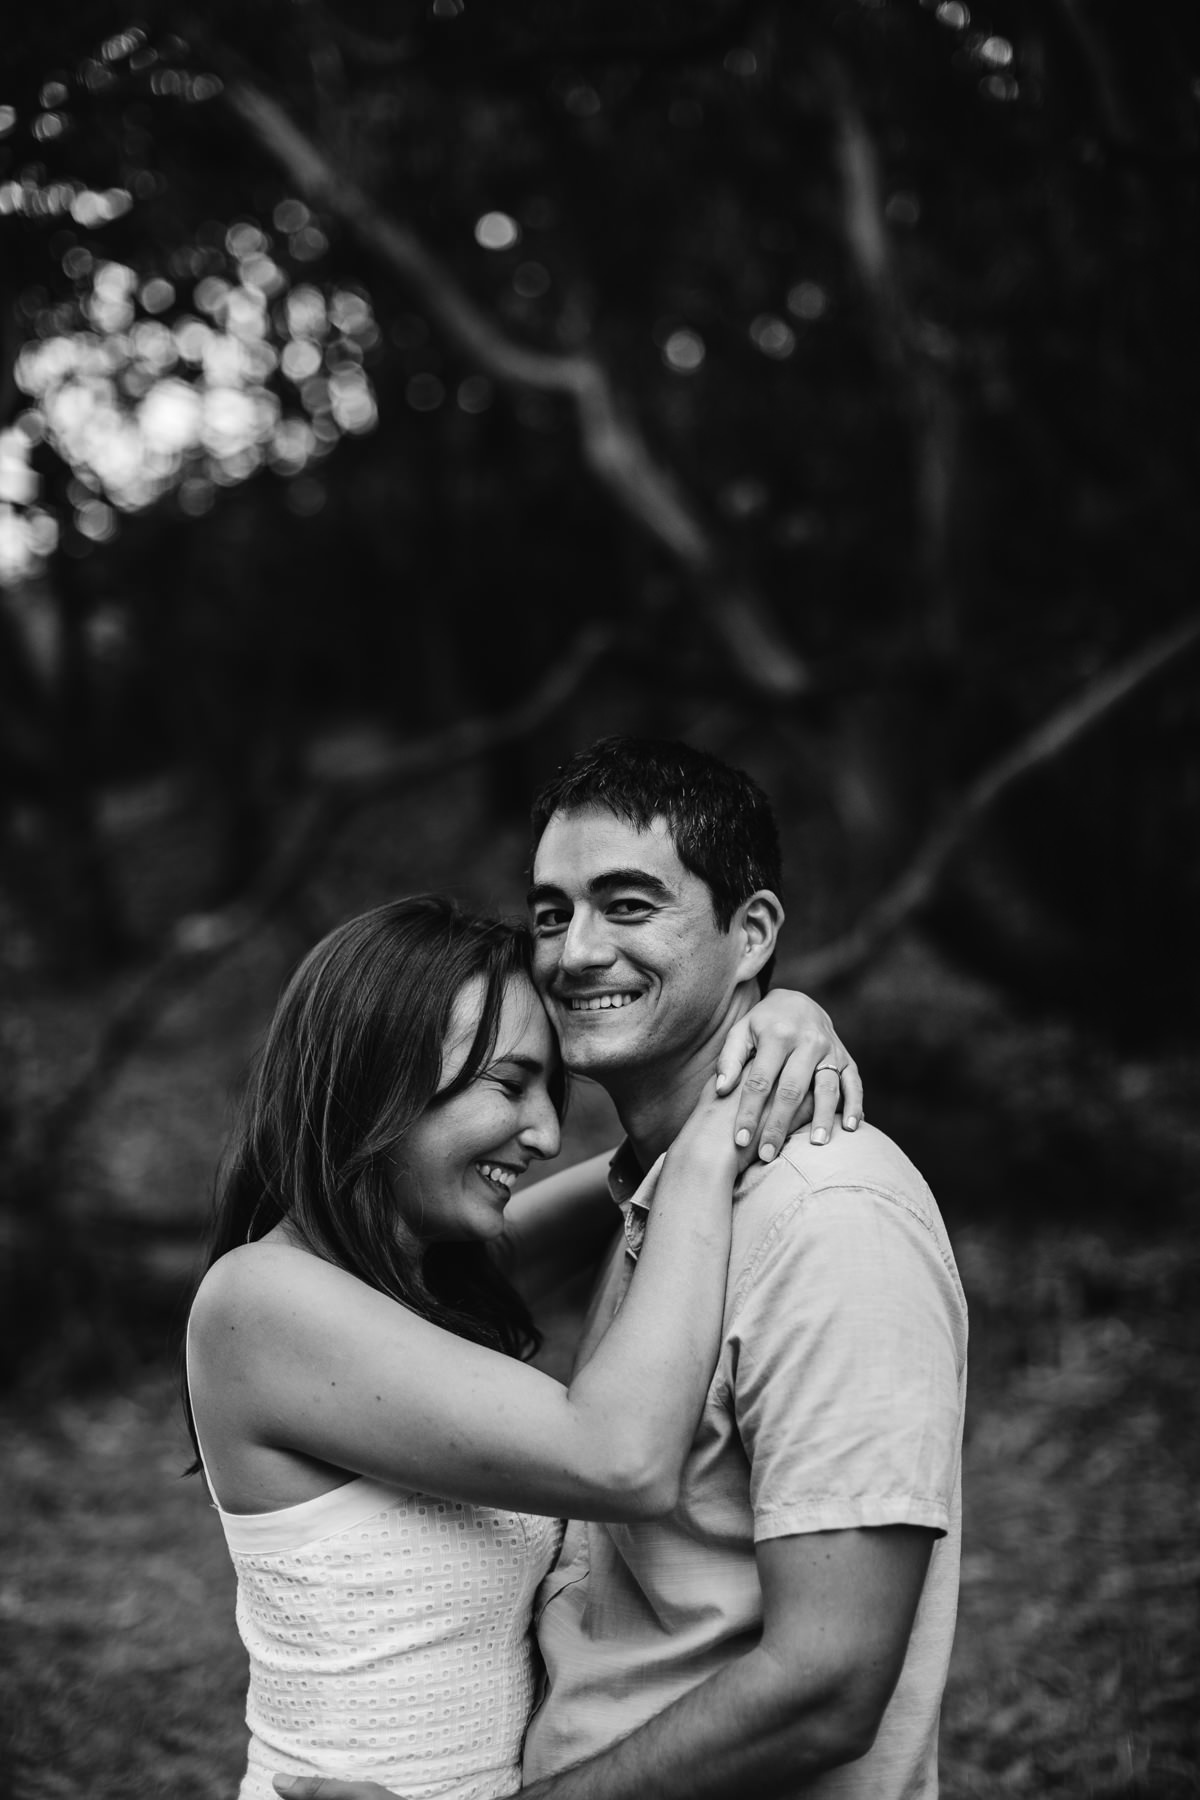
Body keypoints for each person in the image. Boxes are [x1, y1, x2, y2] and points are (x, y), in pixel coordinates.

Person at [277, 736, 967, 1800]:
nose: (573, 952)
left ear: (754, 935)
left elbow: (830, 1681)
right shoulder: (652, 1199)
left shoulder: (831, 1216)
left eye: (629, 904)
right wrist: (760, 1046)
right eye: (552, 912)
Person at [185, 890, 859, 1800]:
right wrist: (711, 1147)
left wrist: (773, 1019)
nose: (543, 1134)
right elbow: (621, 1460)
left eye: (551, 1091)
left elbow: (629, 1180)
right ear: (373, 1079)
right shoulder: (258, 1302)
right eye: (507, 1085)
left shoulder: (412, 1279)